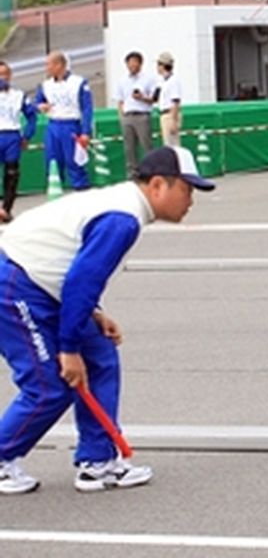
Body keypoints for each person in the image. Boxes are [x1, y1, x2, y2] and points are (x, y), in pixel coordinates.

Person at [0, 146, 214, 495]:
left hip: (37, 279)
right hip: (15, 283)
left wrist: (94, 314)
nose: (190, 200)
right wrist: (68, 348)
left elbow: (74, 267)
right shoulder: (122, 218)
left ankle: (97, 462)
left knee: (99, 355)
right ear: (159, 185)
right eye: (187, 190)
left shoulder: (124, 207)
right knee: (48, 386)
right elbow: (82, 280)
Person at [34, 51, 92, 192]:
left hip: (71, 124)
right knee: (52, 161)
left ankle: (81, 191)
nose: (47, 67)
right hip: (53, 125)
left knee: (74, 162)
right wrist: (40, 106)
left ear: (59, 65)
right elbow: (37, 103)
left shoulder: (78, 83)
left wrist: (85, 132)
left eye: (49, 64)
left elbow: (87, 108)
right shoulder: (45, 85)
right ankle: (55, 190)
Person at [0, 61, 37, 222]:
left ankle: (6, 208)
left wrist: (27, 136)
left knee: (12, 173)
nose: (3, 78)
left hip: (11, 135)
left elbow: (31, 116)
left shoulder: (18, 95)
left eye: (5, 74)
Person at [113, 51, 156, 178]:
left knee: (146, 144)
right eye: (129, 63)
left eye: (134, 63)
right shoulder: (122, 80)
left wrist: (142, 98)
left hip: (142, 114)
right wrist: (121, 116)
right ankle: (132, 172)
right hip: (127, 115)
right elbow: (120, 101)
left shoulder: (148, 79)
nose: (132, 65)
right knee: (129, 147)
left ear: (140, 64)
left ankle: (150, 170)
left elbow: (154, 98)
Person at [154, 52, 182, 147]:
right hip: (164, 114)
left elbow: (175, 101)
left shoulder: (173, 81)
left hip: (170, 114)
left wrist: (173, 120)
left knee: (172, 144)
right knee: (167, 143)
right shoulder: (162, 81)